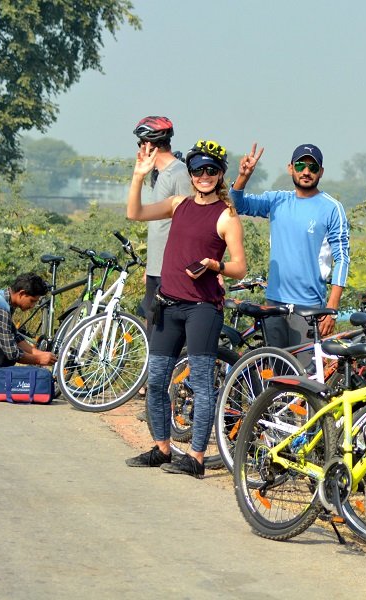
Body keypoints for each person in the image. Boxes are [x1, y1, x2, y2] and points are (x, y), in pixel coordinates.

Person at [125, 139, 247, 478]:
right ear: (190, 174)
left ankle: (195, 457)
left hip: (202, 309)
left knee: (202, 385)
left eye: (211, 170)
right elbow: (135, 213)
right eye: (197, 170)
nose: (204, 176)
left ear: (220, 174)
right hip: (168, 304)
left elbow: (240, 267)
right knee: (156, 379)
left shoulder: (227, 216)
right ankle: (162, 448)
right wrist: (139, 176)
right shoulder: (178, 204)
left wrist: (214, 265)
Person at [230, 143, 349, 347]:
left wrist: (332, 309)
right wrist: (244, 176)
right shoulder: (277, 200)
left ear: (321, 172)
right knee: (275, 365)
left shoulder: (332, 208)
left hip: (309, 308)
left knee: (305, 367)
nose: (306, 172)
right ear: (290, 168)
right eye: (301, 165)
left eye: (313, 167)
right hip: (274, 304)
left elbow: (342, 259)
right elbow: (237, 205)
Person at [131, 116, 193, 326]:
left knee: (165, 333)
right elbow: (160, 226)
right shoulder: (161, 174)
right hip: (156, 270)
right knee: (152, 329)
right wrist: (150, 266)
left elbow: (189, 224)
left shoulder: (180, 173)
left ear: (147, 145)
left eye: (140, 144)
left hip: (172, 272)